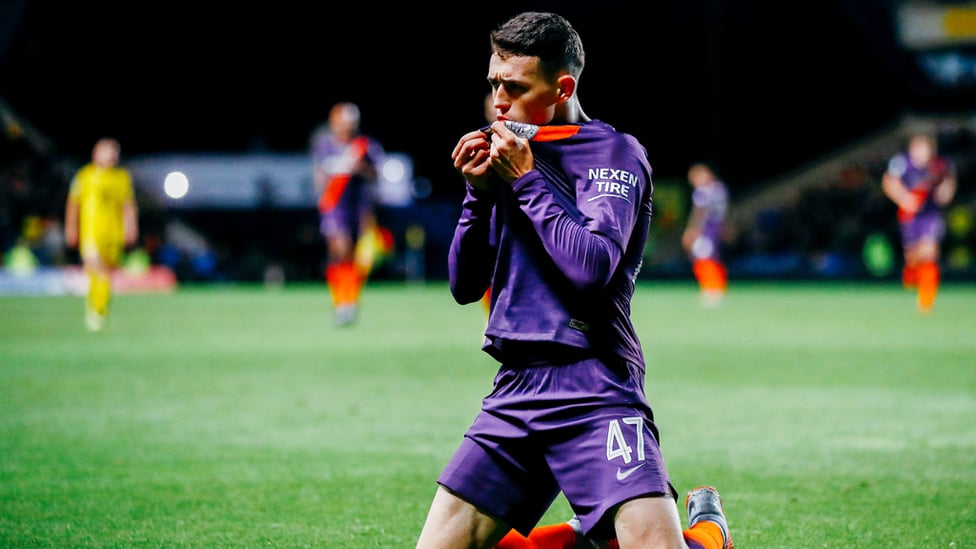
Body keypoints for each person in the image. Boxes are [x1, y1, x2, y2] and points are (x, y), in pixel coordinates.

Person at [415, 12, 733, 549]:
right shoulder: (507, 155)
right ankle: (581, 536)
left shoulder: (613, 154)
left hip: (594, 384)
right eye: (494, 83)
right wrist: (477, 195)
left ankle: (707, 536)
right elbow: (464, 286)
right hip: (516, 387)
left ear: (562, 88)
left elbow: (590, 270)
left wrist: (525, 180)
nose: (499, 101)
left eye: (515, 87)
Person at [309, 101, 385, 325]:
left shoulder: (365, 145)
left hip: (358, 208)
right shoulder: (324, 145)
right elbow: (319, 174)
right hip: (334, 207)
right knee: (338, 248)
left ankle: (350, 300)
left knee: (353, 256)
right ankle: (340, 301)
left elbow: (376, 175)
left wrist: (361, 168)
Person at [63, 137, 139, 331]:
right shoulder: (84, 176)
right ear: (96, 154)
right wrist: (71, 227)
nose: (111, 155)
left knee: (105, 275)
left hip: (113, 233)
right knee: (96, 270)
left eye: (114, 152)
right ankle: (95, 311)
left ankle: (99, 308)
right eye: (106, 151)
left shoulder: (121, 177)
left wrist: (131, 226)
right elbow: (73, 203)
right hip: (91, 232)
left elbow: (128, 205)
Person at [881, 132, 956, 314]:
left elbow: (948, 182)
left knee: (929, 252)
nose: (923, 153)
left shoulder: (939, 165)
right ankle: (910, 273)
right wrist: (903, 198)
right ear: (912, 149)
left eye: (926, 149)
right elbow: (888, 182)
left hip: (930, 215)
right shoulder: (901, 163)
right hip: (910, 216)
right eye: (919, 149)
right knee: (913, 258)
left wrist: (945, 193)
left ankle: (926, 301)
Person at [681, 163, 729, 307]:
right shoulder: (719, 188)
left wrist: (692, 230)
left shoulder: (703, 191)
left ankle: (711, 288)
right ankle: (716, 287)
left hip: (707, 227)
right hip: (716, 225)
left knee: (703, 257)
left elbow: (699, 213)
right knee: (712, 257)